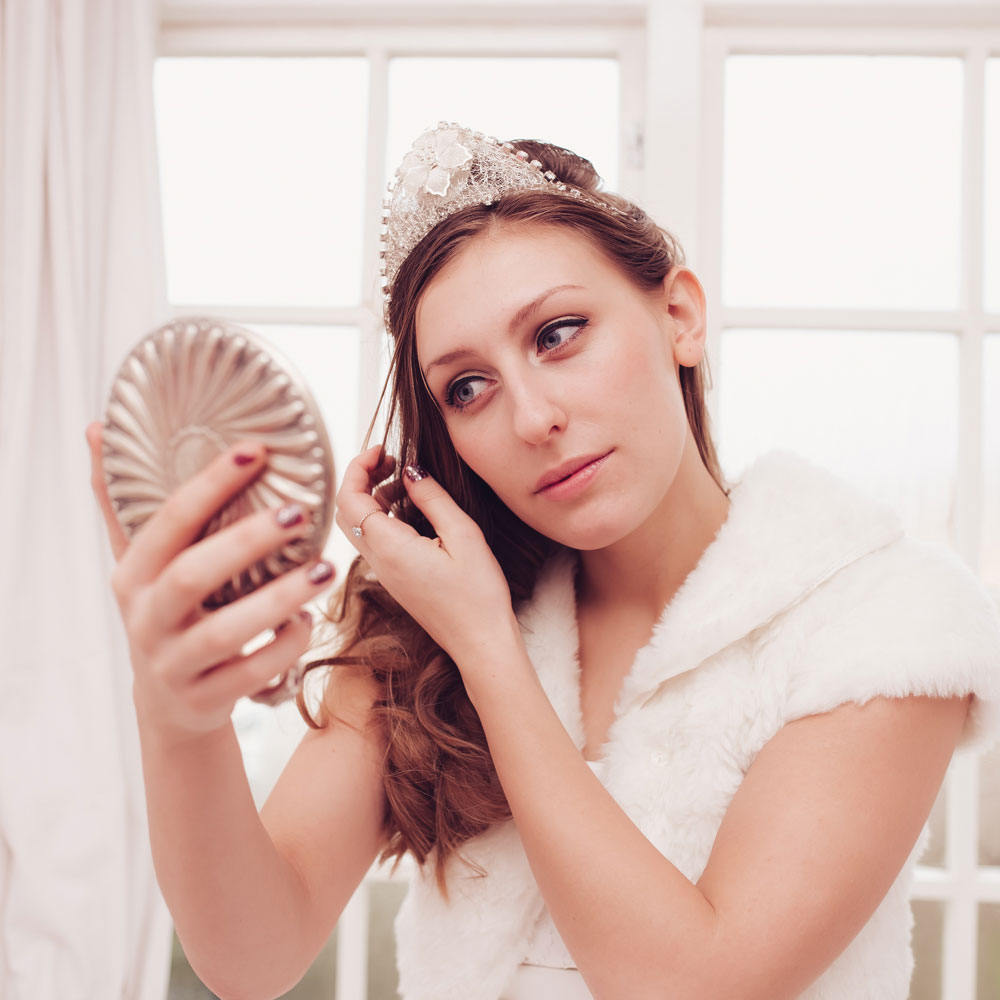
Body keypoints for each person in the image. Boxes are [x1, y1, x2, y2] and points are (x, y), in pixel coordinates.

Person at [85, 122, 1000, 1000]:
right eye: (467, 387)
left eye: (558, 335)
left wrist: (490, 649)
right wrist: (178, 717)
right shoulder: (420, 624)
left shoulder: (886, 618)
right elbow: (253, 956)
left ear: (679, 315)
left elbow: (695, 985)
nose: (531, 418)